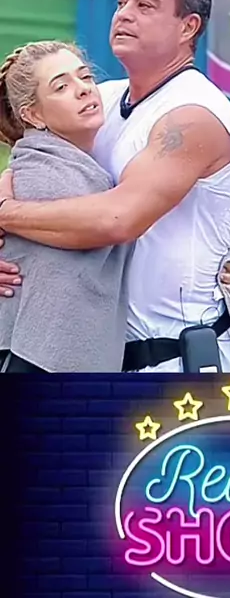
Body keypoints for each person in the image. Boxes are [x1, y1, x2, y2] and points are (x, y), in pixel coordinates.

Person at [0, 0, 230, 373]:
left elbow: (117, 220)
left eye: (145, 5)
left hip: (176, 361)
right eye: (122, 1)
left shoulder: (195, 113)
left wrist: (6, 215)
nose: (124, 14)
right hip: (100, 356)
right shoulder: (101, 100)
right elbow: (25, 165)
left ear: (188, 27)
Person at [0, 41, 134, 373]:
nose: (83, 89)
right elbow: (113, 222)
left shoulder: (63, 165)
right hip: (34, 368)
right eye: (61, 86)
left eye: (85, 77)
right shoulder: (44, 179)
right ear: (33, 115)